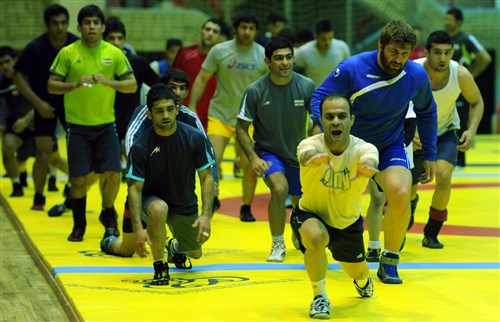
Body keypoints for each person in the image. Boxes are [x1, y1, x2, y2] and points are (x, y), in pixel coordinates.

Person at [311, 20, 437, 284]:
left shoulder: (415, 75)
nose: (399, 60)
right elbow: (318, 98)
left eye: (405, 54)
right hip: (350, 145)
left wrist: (431, 154)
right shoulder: (352, 67)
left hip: (387, 144)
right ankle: (306, 230)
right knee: (327, 200)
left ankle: (389, 260)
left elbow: (427, 111)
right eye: (393, 52)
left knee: (401, 192)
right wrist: (324, 131)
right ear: (380, 45)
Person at [101, 70, 220, 261]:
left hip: (179, 194)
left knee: (195, 253)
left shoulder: (190, 119)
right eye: (173, 87)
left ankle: (173, 246)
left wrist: (213, 182)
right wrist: (143, 166)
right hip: (147, 191)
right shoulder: (142, 118)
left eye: (182, 89)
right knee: (127, 249)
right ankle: (108, 239)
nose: (178, 92)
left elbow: (207, 152)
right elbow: (132, 145)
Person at [47, 4, 137, 241]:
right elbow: (51, 85)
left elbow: (131, 85)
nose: (91, 27)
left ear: (102, 27)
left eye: (96, 23)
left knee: (113, 174)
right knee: (78, 180)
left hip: (106, 125)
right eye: (87, 22)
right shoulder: (68, 53)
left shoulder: (114, 53)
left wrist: (109, 82)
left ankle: (108, 213)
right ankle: (79, 224)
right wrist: (73, 85)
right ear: (79, 26)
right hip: (77, 127)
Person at [291, 94, 378, 319]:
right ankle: (320, 297)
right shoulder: (310, 143)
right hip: (310, 213)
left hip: (347, 223)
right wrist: (315, 159)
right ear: (322, 121)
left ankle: (362, 280)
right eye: (329, 117)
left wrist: (367, 167)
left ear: (352, 120)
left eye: (342, 116)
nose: (336, 122)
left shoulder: (363, 147)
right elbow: (304, 155)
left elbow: (370, 159)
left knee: (356, 271)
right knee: (316, 238)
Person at [125, 83, 215, 285]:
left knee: (195, 252)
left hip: (183, 201)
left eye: (169, 109)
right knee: (159, 209)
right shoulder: (141, 145)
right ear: (149, 114)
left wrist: (206, 216)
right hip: (152, 200)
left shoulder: (194, 137)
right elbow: (134, 188)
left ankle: (174, 247)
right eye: (159, 111)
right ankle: (160, 266)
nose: (165, 115)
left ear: (176, 109)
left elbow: (207, 178)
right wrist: (138, 228)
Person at [236, 37, 315, 262]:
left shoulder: (306, 85)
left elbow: (319, 120)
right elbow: (241, 128)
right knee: (279, 190)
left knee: (302, 203)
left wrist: (313, 146)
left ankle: (297, 232)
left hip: (298, 155)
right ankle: (277, 243)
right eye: (279, 58)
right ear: (267, 62)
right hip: (268, 152)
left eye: (289, 57)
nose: (285, 63)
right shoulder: (255, 91)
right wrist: (252, 157)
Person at [189, 12, 268, 222]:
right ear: (236, 29)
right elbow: (202, 78)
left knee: (250, 164)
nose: (247, 32)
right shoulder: (220, 50)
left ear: (256, 31)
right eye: (243, 27)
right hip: (220, 116)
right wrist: (192, 105)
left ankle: (246, 206)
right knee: (211, 163)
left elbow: (268, 87)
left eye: (251, 28)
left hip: (248, 119)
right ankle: (211, 201)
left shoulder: (262, 54)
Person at [412, 30, 484, 248]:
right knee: (408, 187)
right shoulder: (413, 70)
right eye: (437, 53)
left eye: (447, 53)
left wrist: (471, 130)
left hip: (444, 132)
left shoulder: (460, 74)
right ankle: (409, 203)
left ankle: (432, 232)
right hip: (414, 135)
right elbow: (392, 103)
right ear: (427, 53)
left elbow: (477, 101)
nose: (442, 58)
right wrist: (402, 130)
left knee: (443, 176)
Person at [12, 4, 78, 210]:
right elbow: (17, 75)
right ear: (47, 25)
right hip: (44, 104)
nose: (59, 27)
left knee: (78, 152)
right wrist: (37, 102)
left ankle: (74, 193)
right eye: (55, 23)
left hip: (71, 104)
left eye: (63, 23)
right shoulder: (36, 47)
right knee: (43, 153)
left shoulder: (76, 44)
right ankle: (39, 196)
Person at [103, 16, 159, 173]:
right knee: (108, 171)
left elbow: (158, 87)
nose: (115, 42)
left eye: (119, 38)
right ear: (104, 39)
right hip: (106, 123)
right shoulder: (98, 66)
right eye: (111, 38)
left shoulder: (137, 63)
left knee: (140, 169)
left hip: (132, 123)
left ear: (124, 40)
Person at [444, 7, 491, 167]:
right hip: (444, 87)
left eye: (449, 19)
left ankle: (460, 161)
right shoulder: (443, 40)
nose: (446, 22)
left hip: (459, 88)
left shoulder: (466, 39)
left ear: (458, 22)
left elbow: (485, 58)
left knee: (460, 122)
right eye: (445, 19)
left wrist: (470, 76)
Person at [173, 18, 224, 131]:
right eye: (207, 29)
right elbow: (172, 82)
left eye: (215, 31)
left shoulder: (224, 60)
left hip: (213, 118)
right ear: (201, 31)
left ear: (220, 37)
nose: (210, 33)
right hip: (185, 114)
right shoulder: (185, 53)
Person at [0, 46, 35, 197]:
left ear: (16, 60)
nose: (4, 66)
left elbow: (45, 103)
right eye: (0, 64)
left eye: (7, 62)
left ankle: (77, 182)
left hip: (36, 123)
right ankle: (16, 184)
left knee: (53, 160)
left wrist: (26, 120)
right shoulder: (1, 82)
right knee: (7, 147)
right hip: (15, 125)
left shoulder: (30, 77)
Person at [295, 19, 351, 87]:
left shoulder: (342, 47)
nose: (327, 43)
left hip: (338, 94)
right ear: (316, 36)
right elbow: (296, 75)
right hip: (314, 93)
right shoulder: (303, 52)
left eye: (330, 38)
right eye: (323, 39)